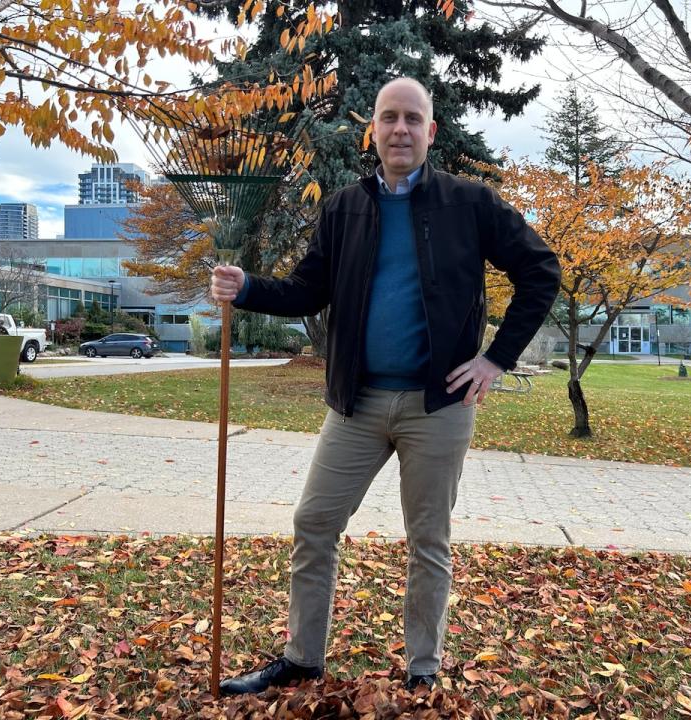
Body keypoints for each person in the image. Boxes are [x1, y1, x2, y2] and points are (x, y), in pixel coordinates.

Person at [210, 77, 560, 695]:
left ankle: (423, 671)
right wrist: (250, 287)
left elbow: (540, 270)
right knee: (314, 521)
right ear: (372, 130)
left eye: (412, 119)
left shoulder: (469, 203)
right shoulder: (345, 206)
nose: (400, 129)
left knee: (429, 539)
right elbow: (306, 290)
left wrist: (495, 360)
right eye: (388, 118)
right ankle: (302, 659)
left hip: (439, 404)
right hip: (357, 403)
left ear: (431, 131)